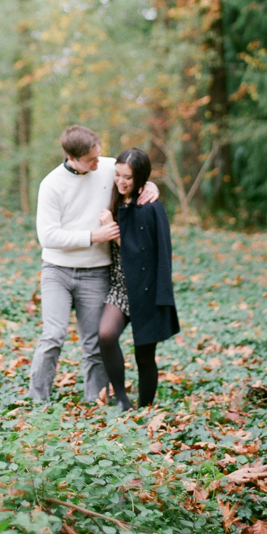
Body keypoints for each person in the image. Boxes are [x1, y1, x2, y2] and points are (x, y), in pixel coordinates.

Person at [28, 125, 159, 404]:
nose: (100, 163)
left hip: (96, 272)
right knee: (53, 335)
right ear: (72, 158)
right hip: (57, 271)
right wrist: (93, 236)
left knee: (94, 343)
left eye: (99, 155)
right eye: (92, 160)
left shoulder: (106, 166)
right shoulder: (51, 184)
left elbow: (134, 172)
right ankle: (37, 401)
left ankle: (95, 400)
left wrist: (151, 185)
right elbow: (47, 236)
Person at [98, 147, 179, 411]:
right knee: (106, 334)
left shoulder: (150, 207)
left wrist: (112, 228)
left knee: (145, 356)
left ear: (140, 179)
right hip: (121, 286)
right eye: (118, 175)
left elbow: (148, 255)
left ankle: (145, 408)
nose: (121, 181)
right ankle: (122, 399)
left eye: (128, 178)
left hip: (146, 289)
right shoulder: (114, 197)